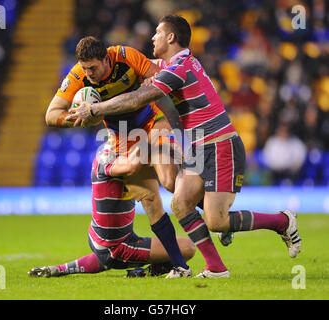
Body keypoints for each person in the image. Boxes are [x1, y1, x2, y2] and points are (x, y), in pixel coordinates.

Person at [68, 15, 302, 278]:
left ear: (170, 37)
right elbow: (140, 73)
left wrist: (94, 109)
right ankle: (216, 267)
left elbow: (136, 99)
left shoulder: (179, 67)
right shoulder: (173, 64)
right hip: (200, 147)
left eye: (157, 32)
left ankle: (282, 221)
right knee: (180, 202)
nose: (153, 37)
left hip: (220, 143)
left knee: (216, 221)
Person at [45, 36, 193, 277]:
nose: (89, 74)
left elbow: (158, 83)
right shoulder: (77, 76)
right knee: (150, 200)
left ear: (106, 58)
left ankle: (210, 213)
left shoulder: (126, 56)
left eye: (93, 67)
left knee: (169, 179)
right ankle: (180, 267)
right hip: (123, 137)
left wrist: (173, 120)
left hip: (152, 121)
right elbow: (51, 115)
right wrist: (79, 118)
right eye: (84, 68)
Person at [29, 145, 196, 278]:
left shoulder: (116, 152)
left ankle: (62, 269)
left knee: (108, 254)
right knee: (187, 248)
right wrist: (153, 138)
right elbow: (132, 167)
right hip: (118, 246)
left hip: (102, 238)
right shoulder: (108, 158)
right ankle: (144, 272)